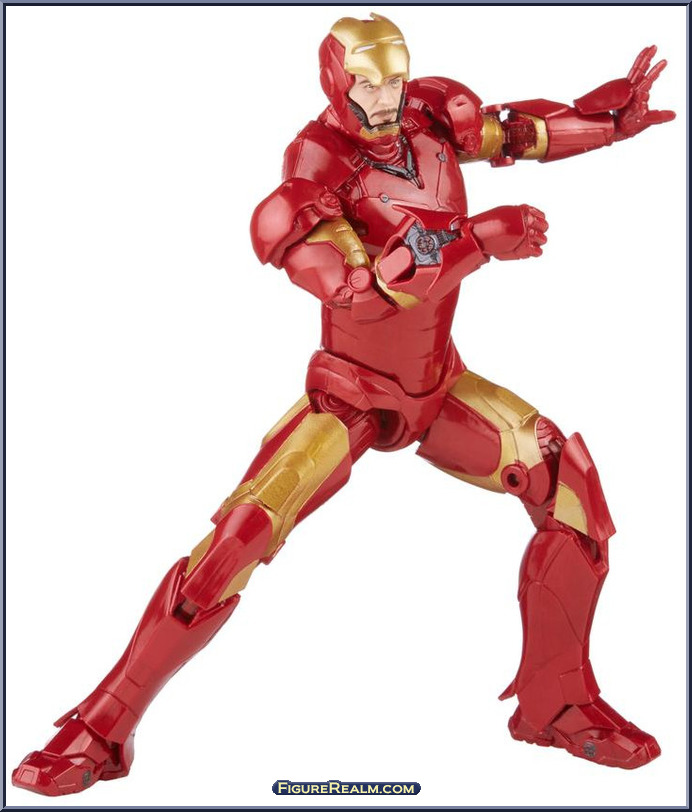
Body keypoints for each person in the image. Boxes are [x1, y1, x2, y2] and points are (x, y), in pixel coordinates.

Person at [12, 13, 675, 796]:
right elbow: (365, 291)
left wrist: (609, 124)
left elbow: (519, 132)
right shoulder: (317, 164)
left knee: (570, 485)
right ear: (336, 82)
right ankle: (101, 730)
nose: (385, 98)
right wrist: (478, 241)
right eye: (367, 84)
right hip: (351, 398)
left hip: (438, 386)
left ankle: (554, 703)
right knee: (237, 540)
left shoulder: (433, 118)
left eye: (393, 80)